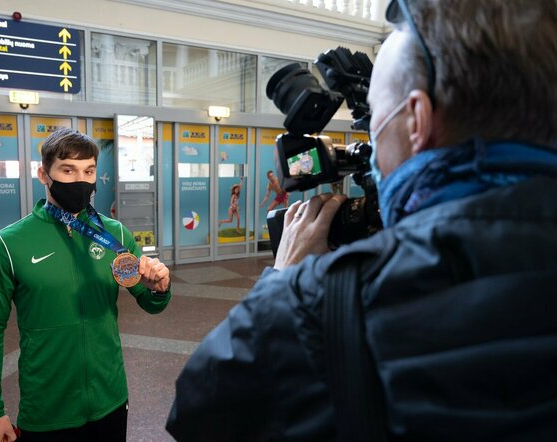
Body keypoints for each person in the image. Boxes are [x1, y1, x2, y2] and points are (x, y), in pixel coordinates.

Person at [167, 0, 557, 441]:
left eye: (375, 124)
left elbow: (199, 412)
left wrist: (284, 280)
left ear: (417, 121)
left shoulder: (324, 303)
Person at [0, 128, 172, 442]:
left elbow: (148, 301)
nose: (80, 180)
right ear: (43, 174)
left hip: (111, 399)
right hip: (47, 409)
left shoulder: (116, 235)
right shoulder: (9, 244)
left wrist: (159, 287)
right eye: (68, 170)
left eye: (88, 171)